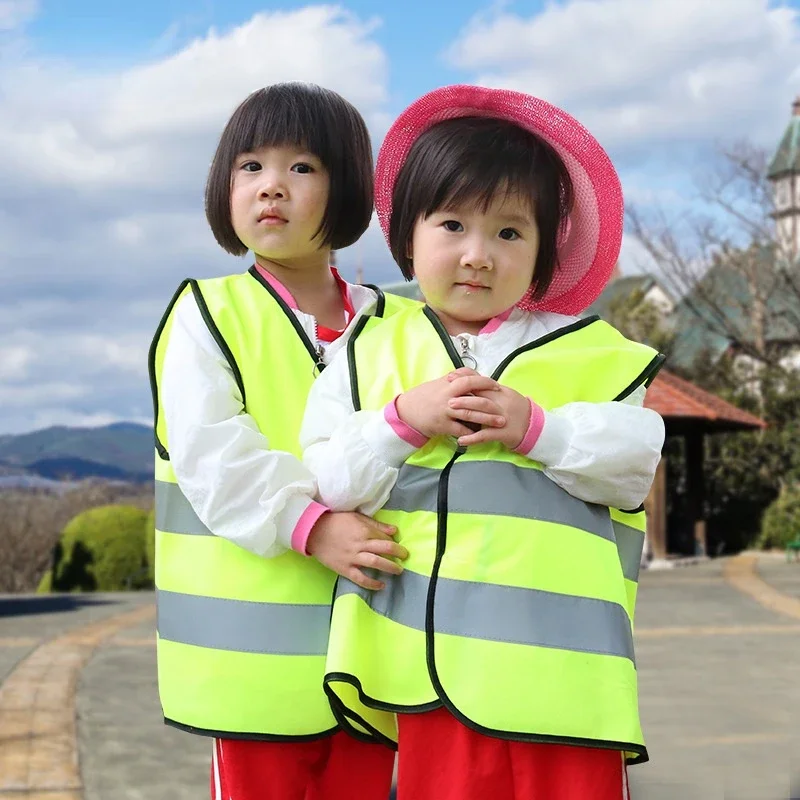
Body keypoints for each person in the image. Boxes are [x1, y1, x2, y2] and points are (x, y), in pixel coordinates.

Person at [300, 85, 667, 800]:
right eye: (452, 225)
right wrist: (400, 420)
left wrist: (539, 428)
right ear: (408, 235)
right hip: (432, 680)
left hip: (566, 681)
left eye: (508, 233)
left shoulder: (590, 352)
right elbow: (328, 479)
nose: (477, 255)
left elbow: (632, 464)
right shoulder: (367, 347)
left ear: (543, 254)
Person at [148, 82, 408, 800]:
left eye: (302, 168)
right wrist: (313, 526)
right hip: (252, 670)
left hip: (374, 656)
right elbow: (214, 457)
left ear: (348, 188)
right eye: (251, 166)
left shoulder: (398, 325)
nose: (271, 187)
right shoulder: (208, 312)